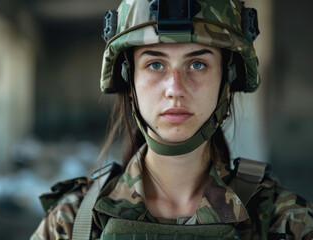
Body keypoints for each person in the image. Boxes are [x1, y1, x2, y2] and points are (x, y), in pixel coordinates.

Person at [30, 0, 313, 239]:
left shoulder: (284, 221)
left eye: (197, 64)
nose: (175, 89)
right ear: (130, 83)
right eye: (155, 65)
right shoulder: (72, 222)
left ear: (226, 81)